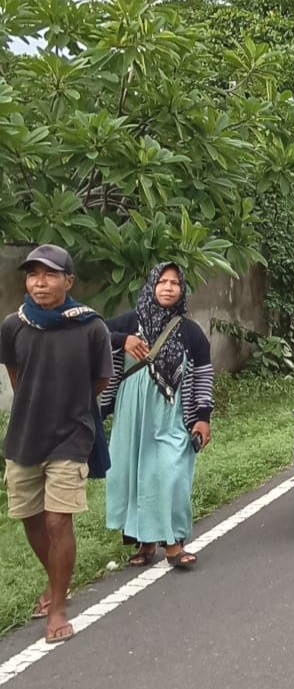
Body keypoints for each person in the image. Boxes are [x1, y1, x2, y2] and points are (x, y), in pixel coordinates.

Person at [1, 245, 113, 644]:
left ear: (68, 281)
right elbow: (17, 377)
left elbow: (98, 383)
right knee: (30, 517)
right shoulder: (14, 326)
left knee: (56, 519)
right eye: (32, 275)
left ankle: (59, 608)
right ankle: (54, 581)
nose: (39, 282)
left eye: (48, 275)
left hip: (71, 434)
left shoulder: (90, 328)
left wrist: (70, 410)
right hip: (25, 435)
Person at [101, 263, 214, 570]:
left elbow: (203, 375)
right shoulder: (129, 322)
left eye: (174, 283)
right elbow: (92, 333)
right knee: (135, 474)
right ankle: (146, 541)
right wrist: (122, 340)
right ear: (151, 286)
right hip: (131, 415)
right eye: (162, 282)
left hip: (172, 416)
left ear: (182, 290)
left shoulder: (191, 332)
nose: (167, 288)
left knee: (171, 473)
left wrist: (203, 417)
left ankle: (174, 544)